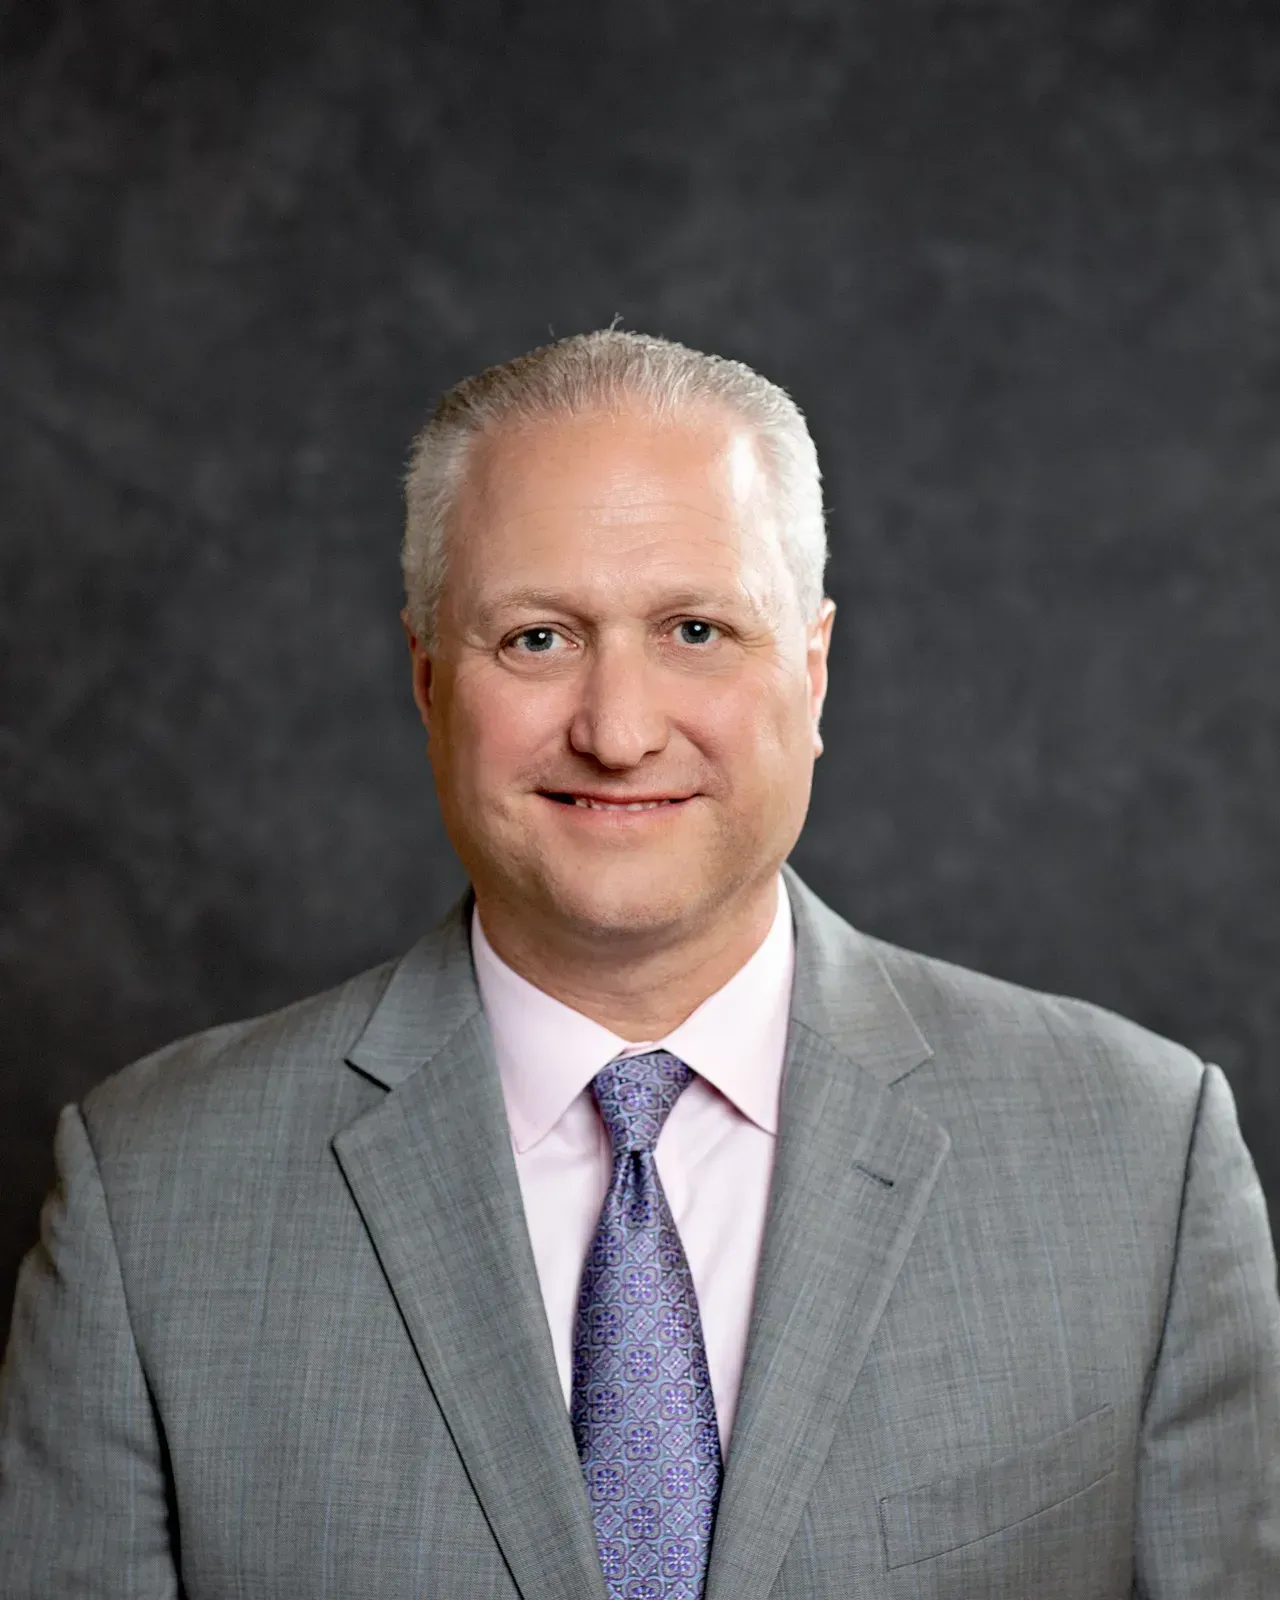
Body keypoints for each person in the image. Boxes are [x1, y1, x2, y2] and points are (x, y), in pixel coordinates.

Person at [0, 329, 1276, 1600]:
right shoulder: (152, 1200)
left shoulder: (1139, 1160)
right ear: (427, 678)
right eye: (537, 639)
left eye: (697, 629)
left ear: (813, 671)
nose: (617, 730)